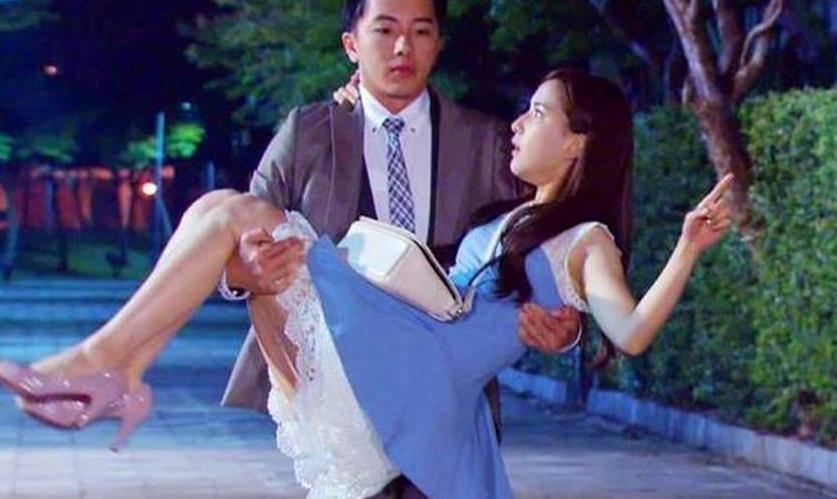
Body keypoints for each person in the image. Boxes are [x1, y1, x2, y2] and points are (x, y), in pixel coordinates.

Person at [0, 68, 733, 498]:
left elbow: (630, 332)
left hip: (416, 379)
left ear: (578, 141)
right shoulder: (514, 216)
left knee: (236, 212)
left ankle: (104, 363)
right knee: (217, 210)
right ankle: (120, 370)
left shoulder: (587, 238)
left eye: (537, 113)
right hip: (397, 353)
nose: (518, 124)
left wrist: (686, 248)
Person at [218, 0, 582, 467]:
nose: (403, 47)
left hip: (449, 394)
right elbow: (241, 235)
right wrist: (244, 270)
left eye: (421, 32)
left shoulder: (487, 144)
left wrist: (566, 324)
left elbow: (544, 238)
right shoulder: (308, 135)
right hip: (337, 390)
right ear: (351, 44)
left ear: (439, 44)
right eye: (385, 30)